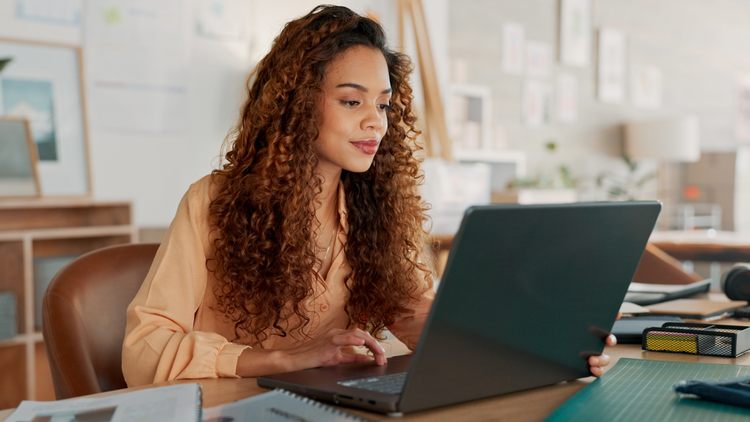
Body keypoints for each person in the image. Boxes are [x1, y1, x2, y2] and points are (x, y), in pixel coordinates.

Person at [122, 5, 614, 387]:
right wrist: (282, 359)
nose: (375, 121)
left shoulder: (377, 208)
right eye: (352, 101)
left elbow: (420, 318)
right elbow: (144, 349)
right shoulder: (214, 200)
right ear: (296, 105)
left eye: (383, 104)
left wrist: (536, 344)